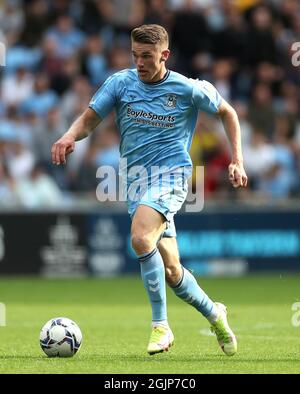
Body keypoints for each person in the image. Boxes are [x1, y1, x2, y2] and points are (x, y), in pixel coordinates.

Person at [52, 24, 248, 356]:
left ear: (164, 55)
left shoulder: (187, 88)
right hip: (136, 182)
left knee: (140, 238)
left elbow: (228, 112)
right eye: (135, 56)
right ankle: (215, 314)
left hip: (172, 177)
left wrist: (237, 160)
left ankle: (161, 326)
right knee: (172, 272)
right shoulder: (120, 83)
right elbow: (88, 118)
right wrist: (70, 135)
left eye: (146, 56)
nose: (139, 63)